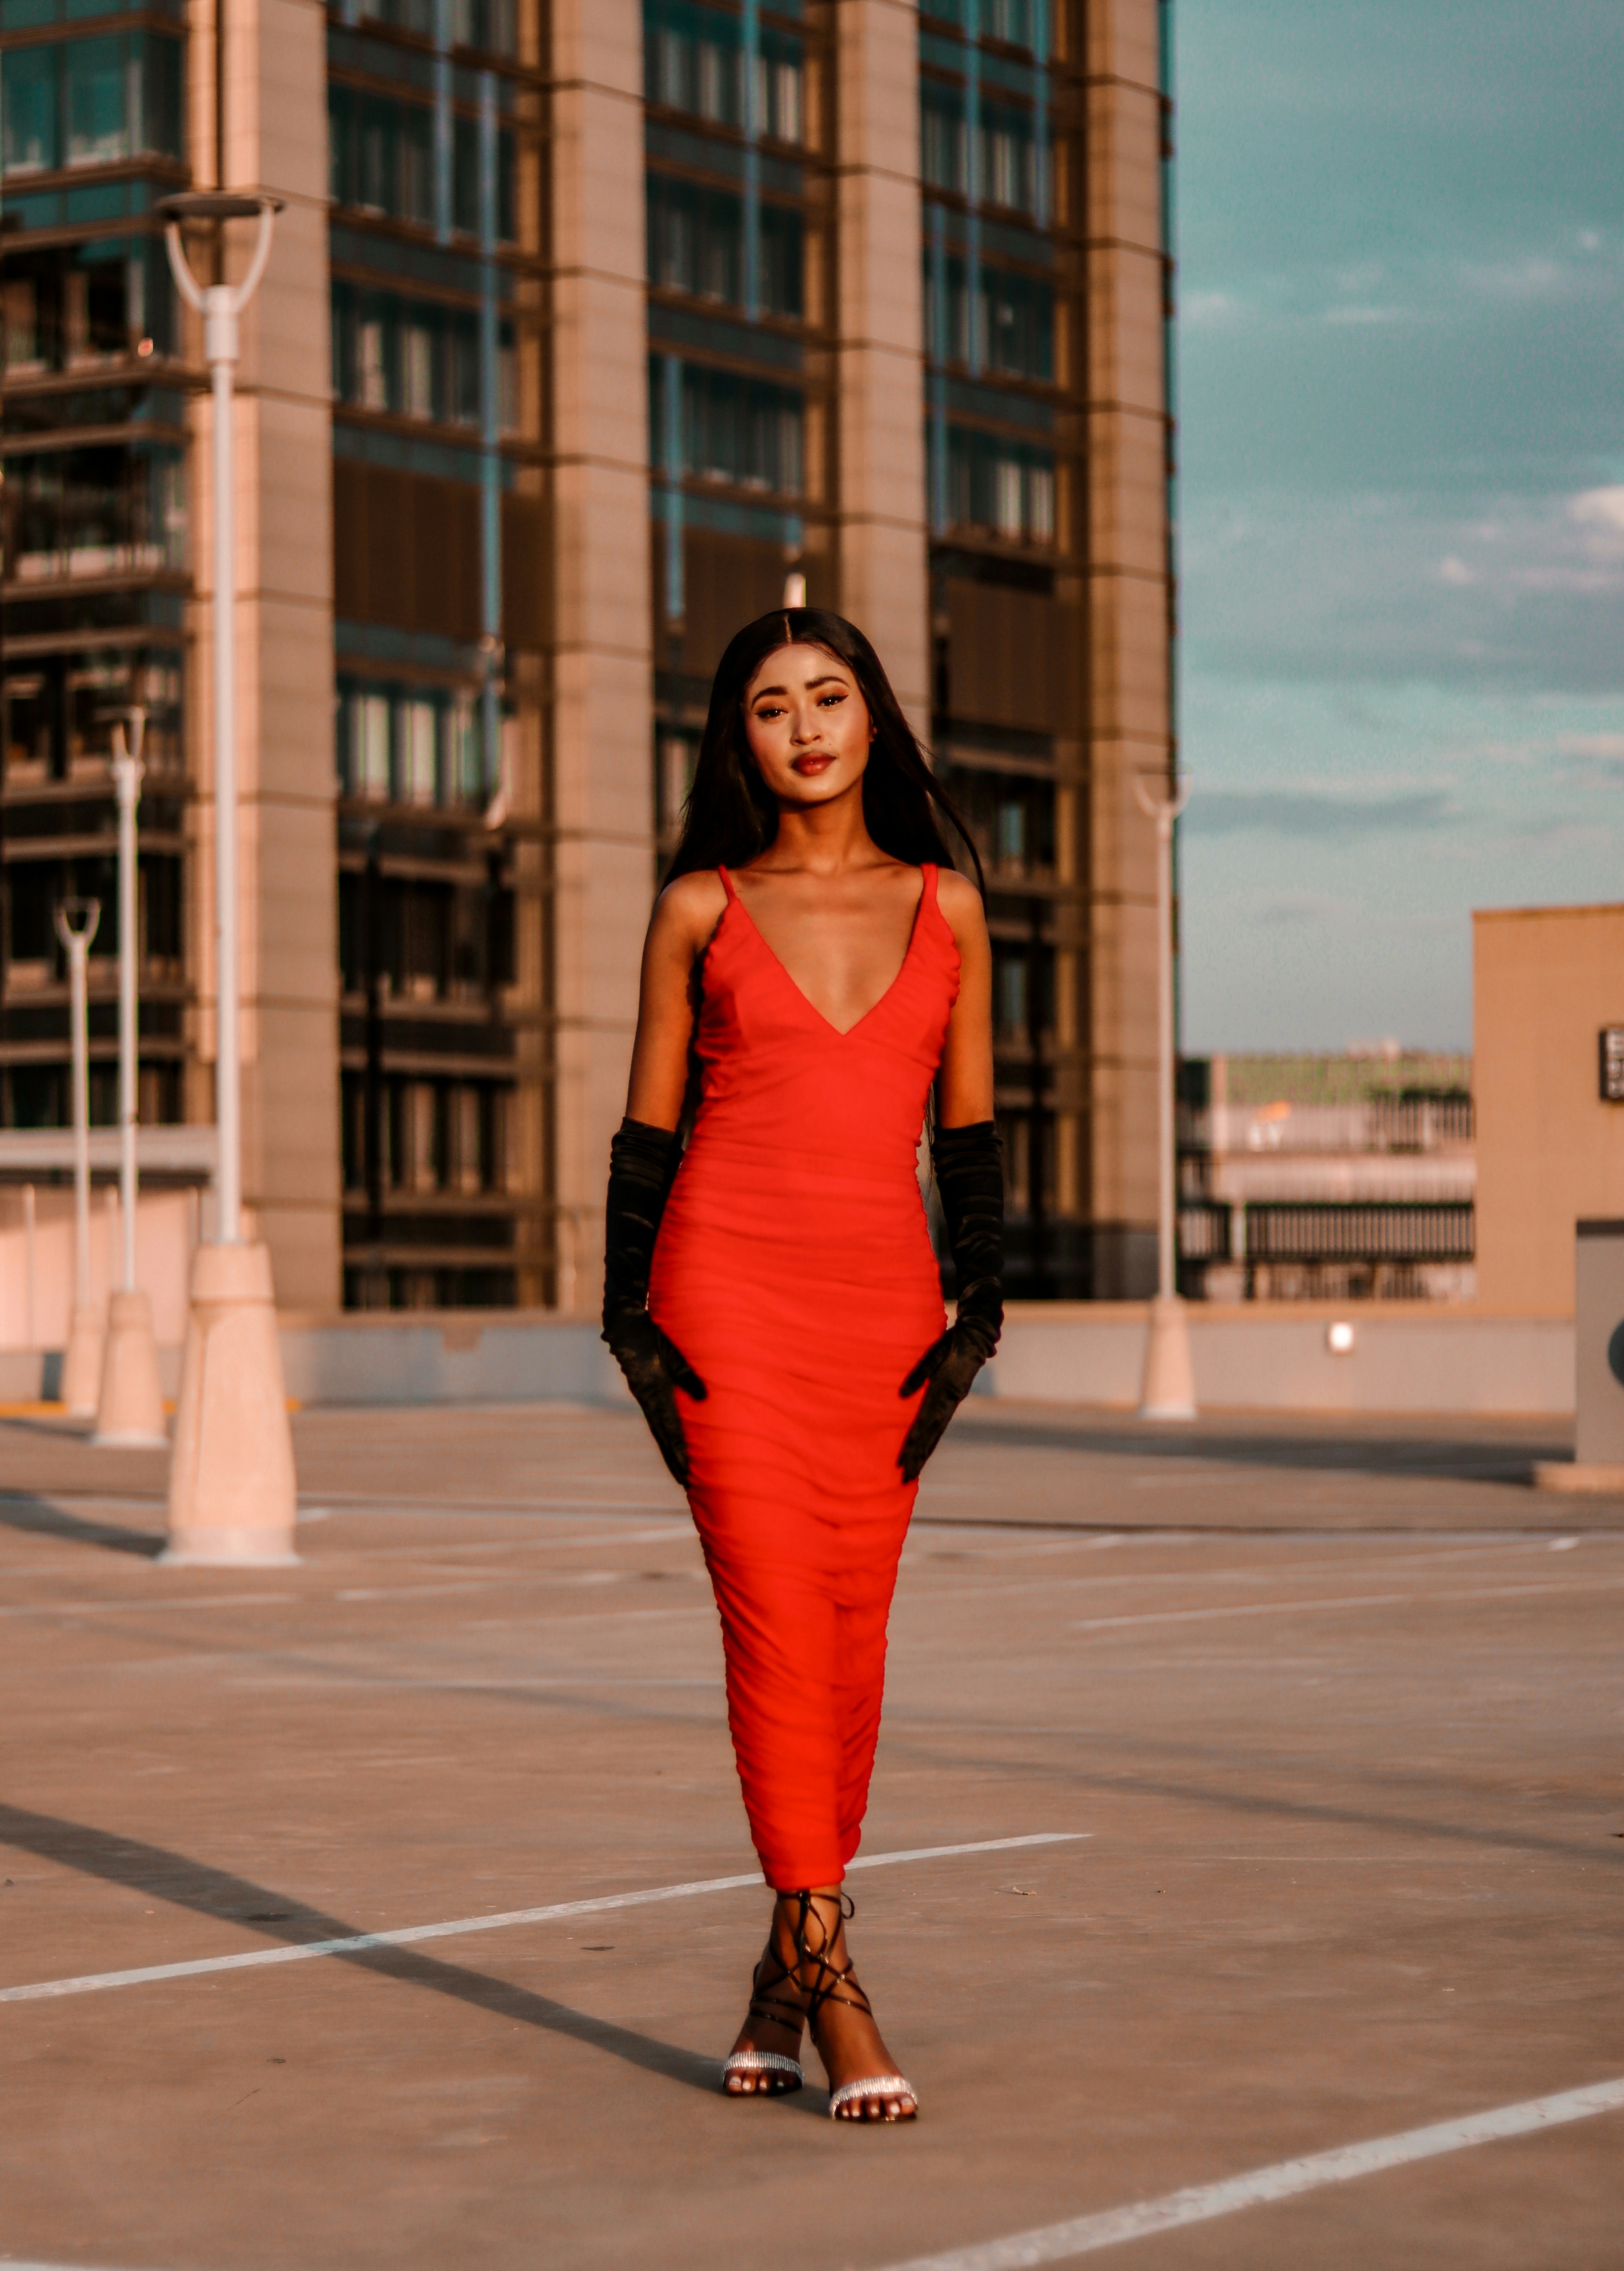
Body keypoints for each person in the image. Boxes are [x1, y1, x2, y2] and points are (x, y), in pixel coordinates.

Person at [601, 608, 1003, 2122]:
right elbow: (647, 1130)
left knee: (850, 1643)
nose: (807, 728)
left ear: (873, 716)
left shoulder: (949, 907)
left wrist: (979, 1314)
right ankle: (837, 1985)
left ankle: (778, 1969)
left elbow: (969, 1132)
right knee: (774, 1627)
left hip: (883, 1315)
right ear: (740, 738)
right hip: (729, 1303)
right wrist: (630, 1321)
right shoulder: (698, 910)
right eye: (772, 707)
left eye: (830, 697)